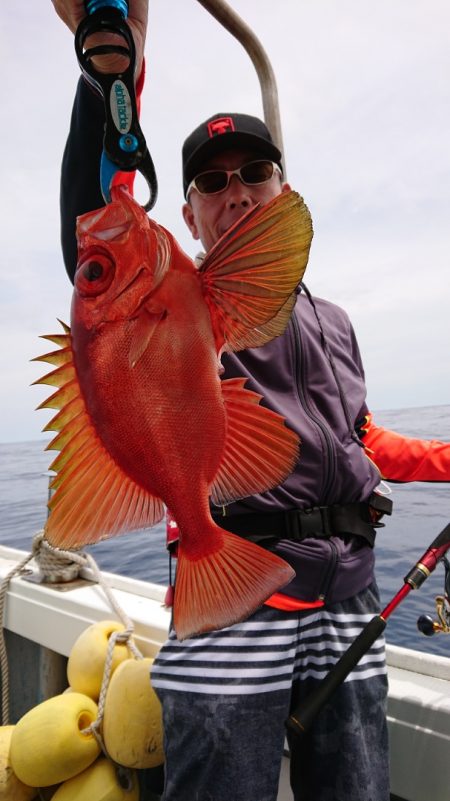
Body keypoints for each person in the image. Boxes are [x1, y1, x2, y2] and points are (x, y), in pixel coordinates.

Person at [52, 3, 450, 800]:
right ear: (188, 215)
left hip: (350, 596)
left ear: (282, 187)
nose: (234, 191)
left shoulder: (334, 321)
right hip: (234, 601)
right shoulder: (182, 302)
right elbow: (96, 212)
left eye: (254, 173)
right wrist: (113, 73)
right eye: (211, 181)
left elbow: (358, 439)